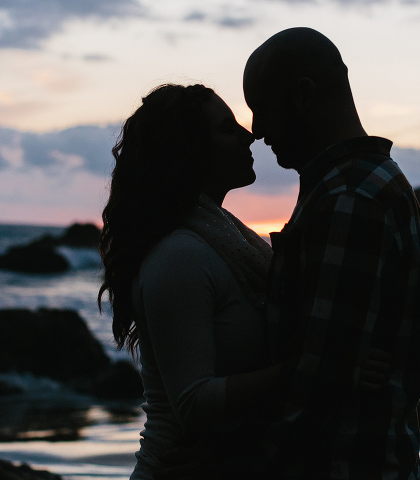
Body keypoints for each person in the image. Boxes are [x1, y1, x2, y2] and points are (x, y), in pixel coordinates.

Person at [97, 83, 390, 480]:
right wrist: (322, 368)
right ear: (190, 151)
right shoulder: (179, 256)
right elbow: (194, 401)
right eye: (227, 127)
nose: (248, 134)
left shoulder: (223, 241)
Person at [244, 27, 420, 480]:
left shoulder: (349, 199)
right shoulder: (361, 185)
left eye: (262, 109)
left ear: (304, 96)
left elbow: (316, 392)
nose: (255, 131)